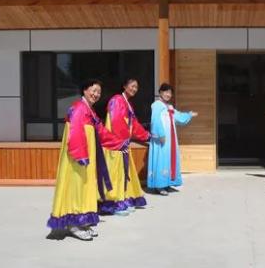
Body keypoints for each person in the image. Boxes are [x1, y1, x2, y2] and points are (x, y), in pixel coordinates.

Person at [47, 79, 110, 241]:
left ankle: (82, 221)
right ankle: (73, 224)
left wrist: (118, 142)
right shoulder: (78, 108)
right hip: (78, 158)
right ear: (85, 90)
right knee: (75, 187)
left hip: (86, 158)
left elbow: (101, 131)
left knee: (84, 187)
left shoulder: (90, 111)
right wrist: (80, 155)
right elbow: (74, 133)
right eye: (93, 90)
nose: (96, 94)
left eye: (98, 92)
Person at [98, 78, 150, 216]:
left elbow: (134, 124)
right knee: (114, 174)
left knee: (122, 174)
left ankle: (121, 200)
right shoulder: (116, 100)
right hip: (115, 144)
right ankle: (112, 204)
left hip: (122, 143)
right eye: (132, 86)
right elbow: (116, 121)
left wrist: (146, 135)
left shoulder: (127, 103)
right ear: (124, 86)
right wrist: (121, 142)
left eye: (136, 87)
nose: (134, 89)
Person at [147, 83, 197, 195]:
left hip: (171, 139)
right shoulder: (157, 105)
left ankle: (167, 183)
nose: (168, 94)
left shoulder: (169, 107)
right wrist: (161, 135)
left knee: (169, 159)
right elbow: (155, 120)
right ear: (160, 92)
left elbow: (178, 117)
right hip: (161, 139)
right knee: (161, 160)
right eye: (166, 92)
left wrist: (189, 115)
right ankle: (159, 186)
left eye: (170, 93)